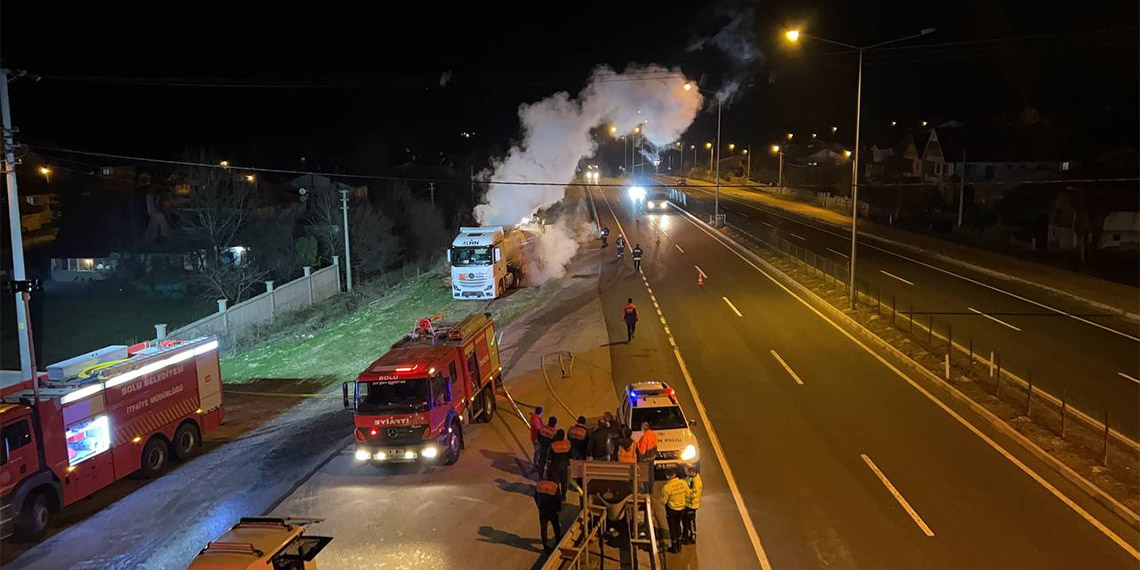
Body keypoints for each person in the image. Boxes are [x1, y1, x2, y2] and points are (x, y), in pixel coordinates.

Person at [661, 468, 689, 553]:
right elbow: (687, 493)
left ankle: (674, 547)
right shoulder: (683, 483)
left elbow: (664, 501)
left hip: (672, 510)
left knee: (672, 528)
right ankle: (679, 545)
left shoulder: (666, 488)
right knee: (678, 526)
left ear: (667, 476)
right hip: (682, 509)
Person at [534, 479, 563, 553]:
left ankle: (545, 546)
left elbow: (535, 496)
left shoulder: (539, 484)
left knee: (543, 529)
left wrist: (539, 506)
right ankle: (558, 540)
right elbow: (558, 499)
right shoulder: (554, 486)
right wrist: (558, 509)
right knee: (555, 526)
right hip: (552, 511)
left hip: (542, 511)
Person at [547, 430, 572, 501]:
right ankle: (564, 496)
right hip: (564, 466)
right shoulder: (567, 445)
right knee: (564, 482)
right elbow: (570, 455)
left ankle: (557, 495)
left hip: (555, 466)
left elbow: (549, 457)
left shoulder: (553, 445)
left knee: (555, 482)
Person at [683, 465, 703, 544]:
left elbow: (694, 494)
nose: (687, 472)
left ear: (693, 472)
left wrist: (685, 492)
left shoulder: (696, 482)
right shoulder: (690, 478)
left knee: (691, 522)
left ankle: (692, 537)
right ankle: (686, 536)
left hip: (691, 505)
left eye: (688, 471)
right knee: (685, 522)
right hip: (686, 504)